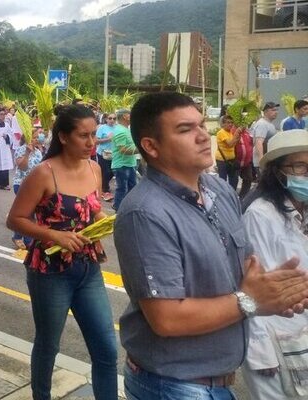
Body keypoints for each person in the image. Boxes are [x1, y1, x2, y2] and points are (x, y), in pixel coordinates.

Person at [113, 92, 308, 400]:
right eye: (185, 129)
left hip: (217, 382)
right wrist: (251, 301)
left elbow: (242, 269)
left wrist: (278, 294)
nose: (204, 136)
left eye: (202, 125)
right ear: (151, 146)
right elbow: (167, 319)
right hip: (174, 385)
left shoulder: (218, 190)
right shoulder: (145, 213)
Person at [7, 104, 117, 400]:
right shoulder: (44, 173)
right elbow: (15, 219)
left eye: (94, 135)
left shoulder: (95, 169)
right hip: (50, 272)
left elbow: (91, 210)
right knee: (48, 345)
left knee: (107, 349)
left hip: (88, 268)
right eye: (84, 136)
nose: (92, 143)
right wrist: (54, 234)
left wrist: (102, 224)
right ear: (64, 137)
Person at [241, 129, 308, 399]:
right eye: (300, 166)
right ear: (279, 172)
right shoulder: (260, 215)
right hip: (276, 339)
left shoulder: (302, 208)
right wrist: (260, 352)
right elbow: (256, 285)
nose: (307, 174)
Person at [11, 129, 45, 249]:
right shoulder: (21, 149)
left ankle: (24, 237)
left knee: (30, 213)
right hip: (21, 185)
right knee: (27, 213)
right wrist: (27, 153)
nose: (37, 139)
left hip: (34, 186)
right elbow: (22, 167)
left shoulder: (38, 152)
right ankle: (22, 238)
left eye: (37, 137)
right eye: (34, 137)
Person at [110, 109, 137, 210]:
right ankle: (118, 209)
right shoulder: (120, 130)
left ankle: (127, 208)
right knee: (122, 189)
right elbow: (123, 150)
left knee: (132, 188)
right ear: (125, 116)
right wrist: (141, 150)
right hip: (122, 165)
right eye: (130, 114)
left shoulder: (126, 129)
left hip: (129, 164)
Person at [251, 102, 280, 174]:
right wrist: (261, 160)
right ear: (265, 112)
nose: (276, 112)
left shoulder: (269, 124)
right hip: (262, 161)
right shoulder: (262, 124)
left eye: (276, 110)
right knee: (264, 183)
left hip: (268, 160)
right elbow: (259, 142)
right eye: (273, 110)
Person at [215, 115, 240, 191]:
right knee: (223, 181)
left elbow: (235, 143)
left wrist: (238, 136)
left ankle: (232, 195)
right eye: (228, 122)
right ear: (223, 124)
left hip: (231, 160)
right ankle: (223, 196)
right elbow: (230, 144)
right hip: (222, 160)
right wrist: (236, 135)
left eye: (232, 122)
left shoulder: (230, 133)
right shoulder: (221, 132)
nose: (230, 124)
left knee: (234, 180)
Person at [95, 113, 117, 201]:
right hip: (102, 154)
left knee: (113, 171)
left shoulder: (118, 128)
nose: (112, 120)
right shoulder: (102, 128)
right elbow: (96, 141)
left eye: (114, 118)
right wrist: (108, 139)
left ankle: (103, 187)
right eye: (110, 118)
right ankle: (105, 190)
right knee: (106, 172)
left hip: (114, 154)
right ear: (106, 119)